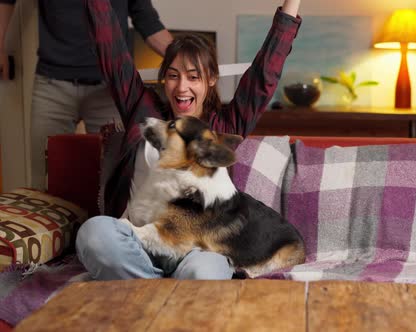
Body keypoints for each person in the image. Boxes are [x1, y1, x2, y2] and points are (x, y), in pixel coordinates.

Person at [75, 0, 302, 280]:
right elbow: (110, 49)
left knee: (204, 272)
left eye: (193, 77)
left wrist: (292, 5)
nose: (182, 87)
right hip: (135, 244)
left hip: (196, 251)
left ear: (210, 80)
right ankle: (160, 292)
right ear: (163, 81)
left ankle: (142, 294)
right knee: (93, 234)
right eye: (173, 76)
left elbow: (264, 75)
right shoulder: (142, 110)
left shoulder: (222, 127)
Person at [0, 0, 173, 190]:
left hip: (109, 88)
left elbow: (145, 17)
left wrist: (184, 58)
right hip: (51, 83)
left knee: (116, 181)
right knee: (44, 180)